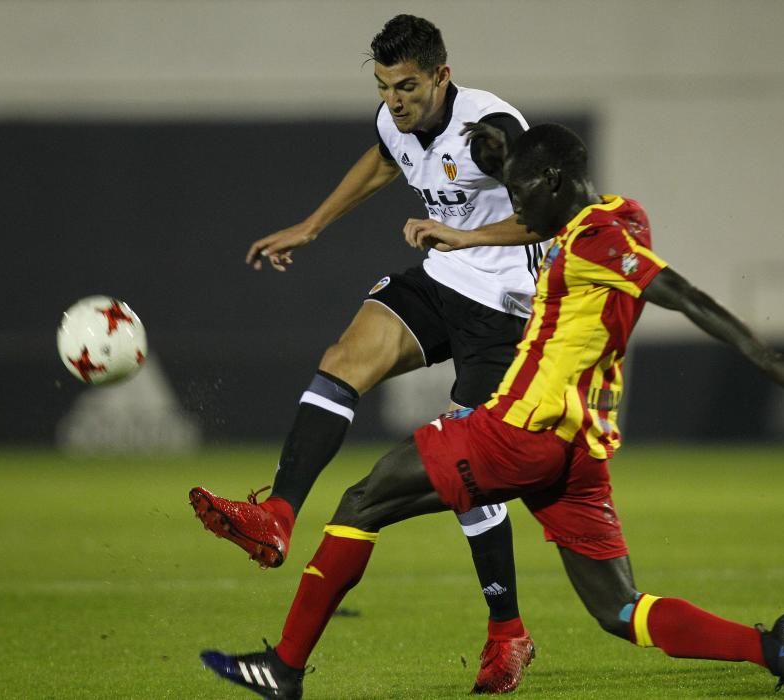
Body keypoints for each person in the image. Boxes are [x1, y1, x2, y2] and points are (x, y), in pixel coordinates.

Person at [198, 122, 784, 700]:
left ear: (557, 182)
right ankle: (774, 650)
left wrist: (764, 357)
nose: (516, 206)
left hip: (518, 432)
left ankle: (284, 669)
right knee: (619, 609)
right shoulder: (624, 214)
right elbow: (577, 223)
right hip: (579, 453)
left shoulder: (596, 243)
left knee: (361, 501)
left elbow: (672, 288)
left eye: (522, 190)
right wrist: (504, 156)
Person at [189, 15, 545, 694]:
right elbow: (384, 156)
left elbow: (550, 211)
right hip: (444, 278)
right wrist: (311, 226)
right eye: (383, 87)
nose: (395, 100)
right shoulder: (395, 119)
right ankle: (279, 515)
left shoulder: (490, 130)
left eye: (407, 86)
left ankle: (508, 632)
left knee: (467, 462)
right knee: (343, 358)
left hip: (506, 301)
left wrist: (463, 238)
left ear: (441, 75)